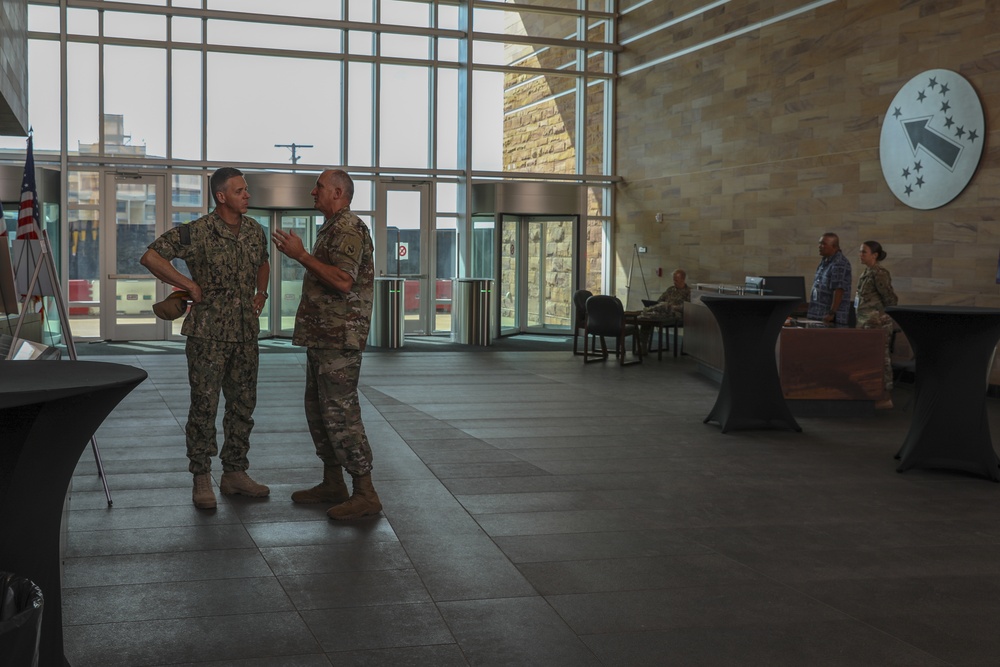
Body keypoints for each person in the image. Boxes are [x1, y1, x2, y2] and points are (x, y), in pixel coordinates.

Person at [140, 167, 271, 510]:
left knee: (243, 406)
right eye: (241, 191)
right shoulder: (196, 232)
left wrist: (263, 292)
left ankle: (235, 473)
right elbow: (151, 256)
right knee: (204, 407)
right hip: (208, 336)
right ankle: (201, 476)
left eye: (247, 190)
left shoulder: (256, 231)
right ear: (221, 196)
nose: (248, 195)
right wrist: (187, 284)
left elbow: (263, 262)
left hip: (245, 334)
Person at [271, 169, 381, 521]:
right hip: (324, 338)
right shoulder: (332, 228)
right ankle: (333, 482)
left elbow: (343, 282)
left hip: (339, 339)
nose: (312, 192)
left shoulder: (349, 228)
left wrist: (301, 255)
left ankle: (365, 492)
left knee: (341, 414)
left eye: (318, 187)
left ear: (337, 192)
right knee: (320, 412)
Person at [855, 240, 899, 409]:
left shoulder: (879, 273)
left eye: (864, 252)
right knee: (867, 360)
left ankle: (885, 398)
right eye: (860, 251)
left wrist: (882, 316)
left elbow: (890, 299)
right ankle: (870, 394)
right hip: (865, 324)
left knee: (882, 360)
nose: (860, 255)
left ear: (874, 255)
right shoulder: (867, 272)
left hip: (876, 325)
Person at [638, 269, 690, 354]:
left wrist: (672, 307)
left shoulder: (689, 292)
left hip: (676, 314)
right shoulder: (670, 289)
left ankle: (650, 309)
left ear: (683, 279)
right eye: (673, 279)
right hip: (663, 312)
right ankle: (642, 345)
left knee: (664, 307)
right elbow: (660, 301)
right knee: (647, 318)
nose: (674, 282)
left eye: (676, 280)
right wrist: (660, 305)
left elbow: (687, 307)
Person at [807, 233, 852, 325]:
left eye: (823, 244)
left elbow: (839, 290)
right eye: (819, 243)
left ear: (834, 247)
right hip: (818, 314)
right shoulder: (825, 260)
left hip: (830, 318)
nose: (820, 246)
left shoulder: (839, 263)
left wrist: (832, 313)